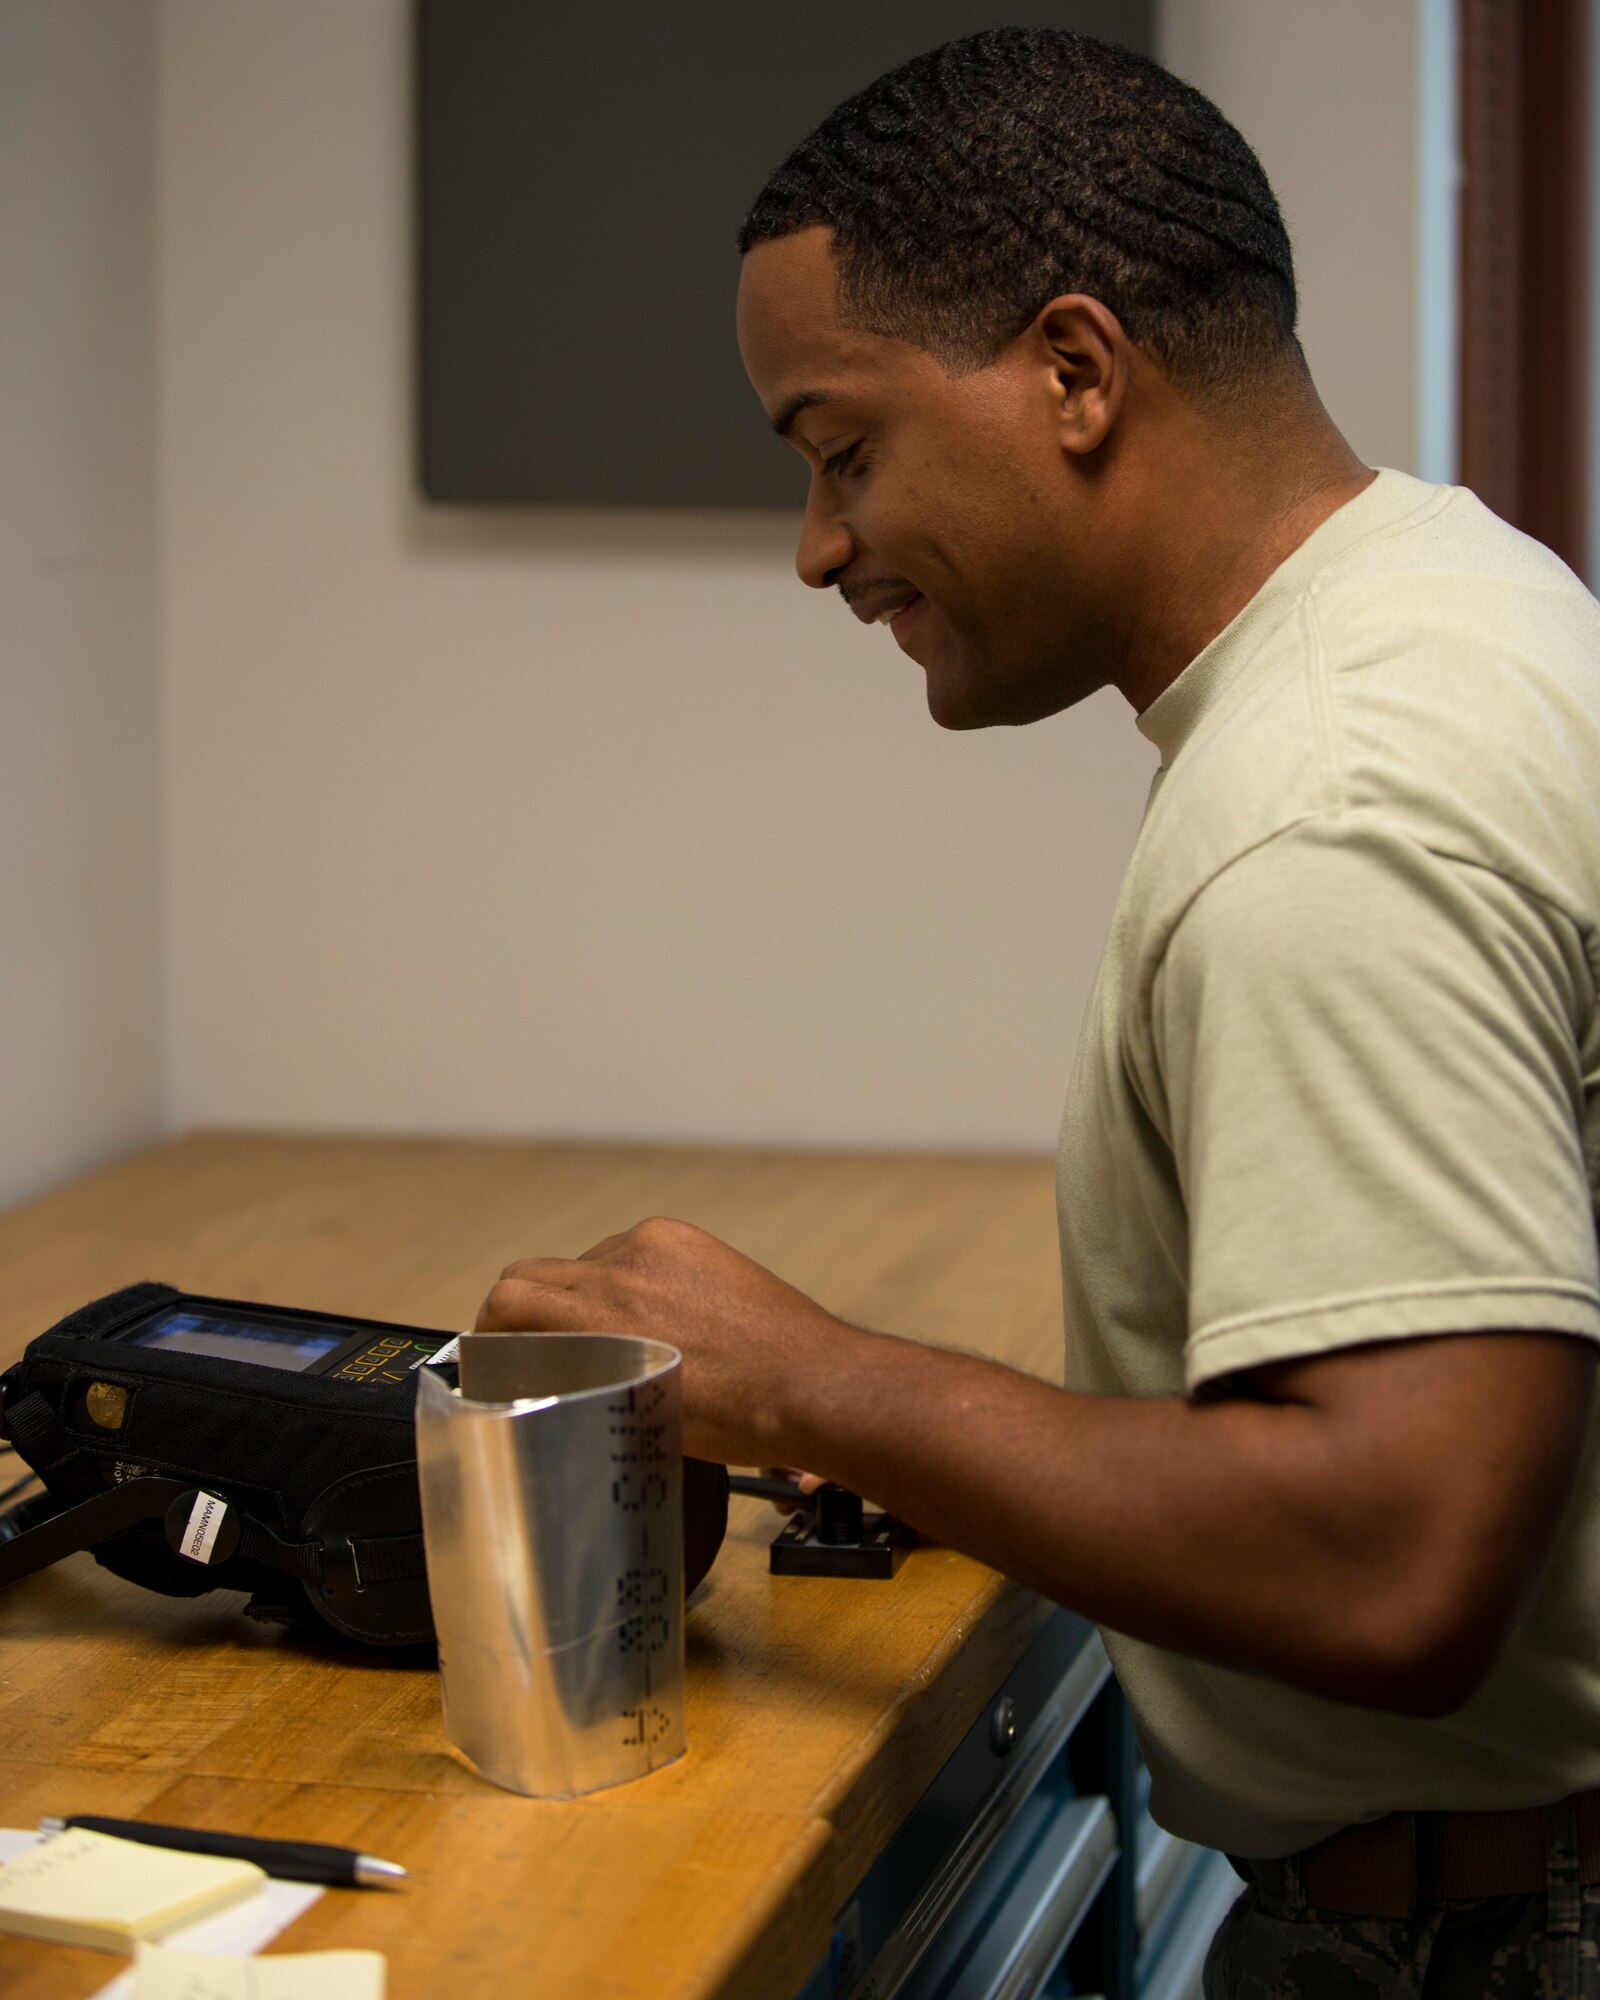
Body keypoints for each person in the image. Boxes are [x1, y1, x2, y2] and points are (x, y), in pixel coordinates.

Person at [476, 29, 1600, 1996]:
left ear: (1072, 372)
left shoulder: (1325, 805)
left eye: (841, 451)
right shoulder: (1451, 599)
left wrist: (802, 1379)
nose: (821, 548)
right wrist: (925, 1432)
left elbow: (1390, 1554)